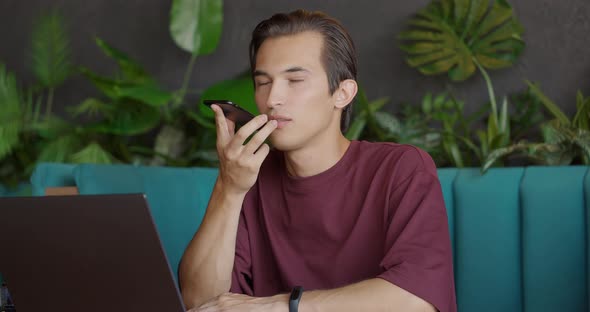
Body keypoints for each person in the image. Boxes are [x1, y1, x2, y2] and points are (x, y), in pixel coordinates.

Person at [179, 9, 457, 312]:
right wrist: (229, 189)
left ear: (342, 93)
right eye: (263, 82)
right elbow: (198, 301)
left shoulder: (401, 169)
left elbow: (416, 299)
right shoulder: (248, 178)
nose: (273, 99)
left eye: (295, 80)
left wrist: (282, 306)